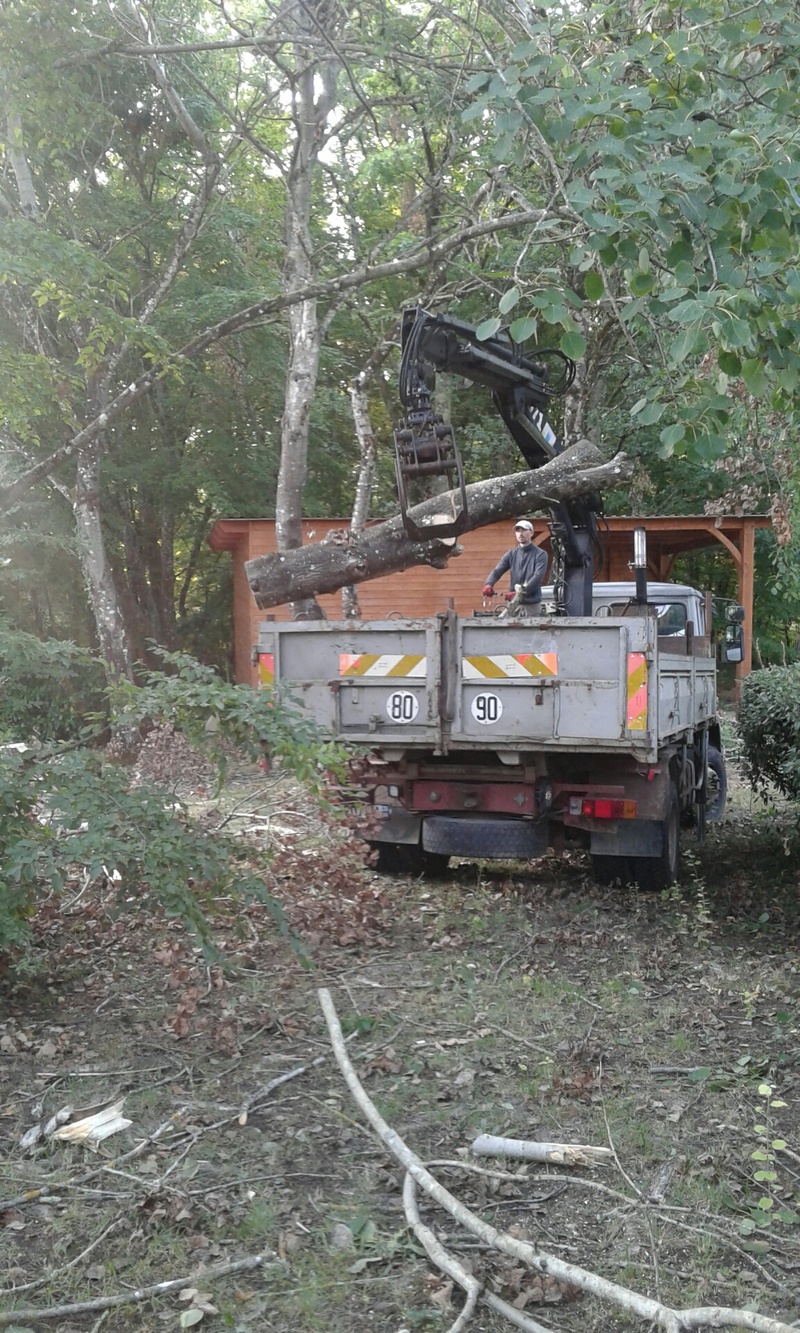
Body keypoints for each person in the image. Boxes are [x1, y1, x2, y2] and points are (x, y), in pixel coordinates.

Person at [482, 520, 548, 612]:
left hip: (531, 605)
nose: (520, 533)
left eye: (524, 530)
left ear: (531, 533)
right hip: (513, 604)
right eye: (518, 530)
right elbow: (497, 571)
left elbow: (538, 577)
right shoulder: (511, 554)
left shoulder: (540, 554)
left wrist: (519, 594)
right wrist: (489, 584)